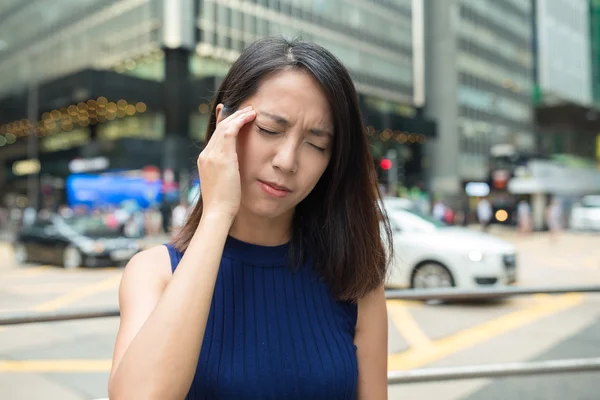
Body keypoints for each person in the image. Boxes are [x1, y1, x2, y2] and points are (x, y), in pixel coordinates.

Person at [108, 37, 392, 400]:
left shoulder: (354, 278)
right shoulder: (155, 272)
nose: (287, 160)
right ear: (224, 123)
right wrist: (217, 214)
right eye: (270, 130)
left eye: (317, 144)